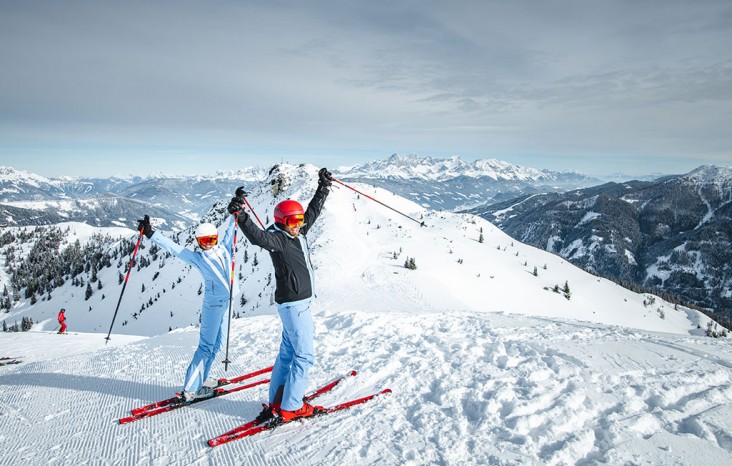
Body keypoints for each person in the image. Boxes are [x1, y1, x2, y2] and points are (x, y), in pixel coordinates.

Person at [227, 168, 332, 423]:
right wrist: (241, 216)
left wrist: (323, 188)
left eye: (299, 222)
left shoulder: (299, 232)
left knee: (287, 353)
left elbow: (312, 213)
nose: (298, 225)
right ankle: (291, 406)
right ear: (282, 221)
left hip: (295, 305)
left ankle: (278, 400)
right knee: (304, 356)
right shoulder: (278, 240)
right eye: (293, 222)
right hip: (295, 307)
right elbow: (257, 237)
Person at [137, 215, 238, 402]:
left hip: (227, 304)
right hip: (213, 305)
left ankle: (201, 380)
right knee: (206, 346)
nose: (208, 244)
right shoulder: (198, 258)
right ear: (198, 242)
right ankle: (191, 389)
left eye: (211, 240)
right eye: (203, 241)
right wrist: (151, 234)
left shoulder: (225, 247)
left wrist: (235, 211)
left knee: (217, 345)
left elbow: (232, 227)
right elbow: (175, 249)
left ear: (216, 238)